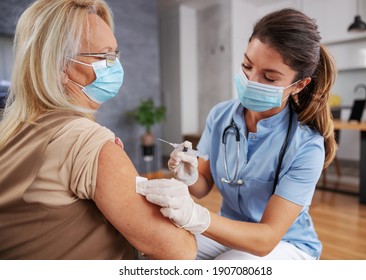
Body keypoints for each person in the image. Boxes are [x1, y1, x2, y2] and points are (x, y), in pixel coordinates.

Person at [0, 0, 196, 260]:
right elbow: (180, 250)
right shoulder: (84, 140)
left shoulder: (12, 132)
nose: (115, 66)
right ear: (60, 67)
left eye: (115, 54)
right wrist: (187, 212)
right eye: (105, 56)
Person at [139, 8, 337, 260]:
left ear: (298, 85)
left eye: (269, 77)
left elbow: (265, 239)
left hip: (283, 245)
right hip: (230, 231)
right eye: (247, 65)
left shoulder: (306, 145)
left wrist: (195, 216)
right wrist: (188, 178)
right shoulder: (220, 116)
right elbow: (202, 186)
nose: (252, 80)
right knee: (160, 248)